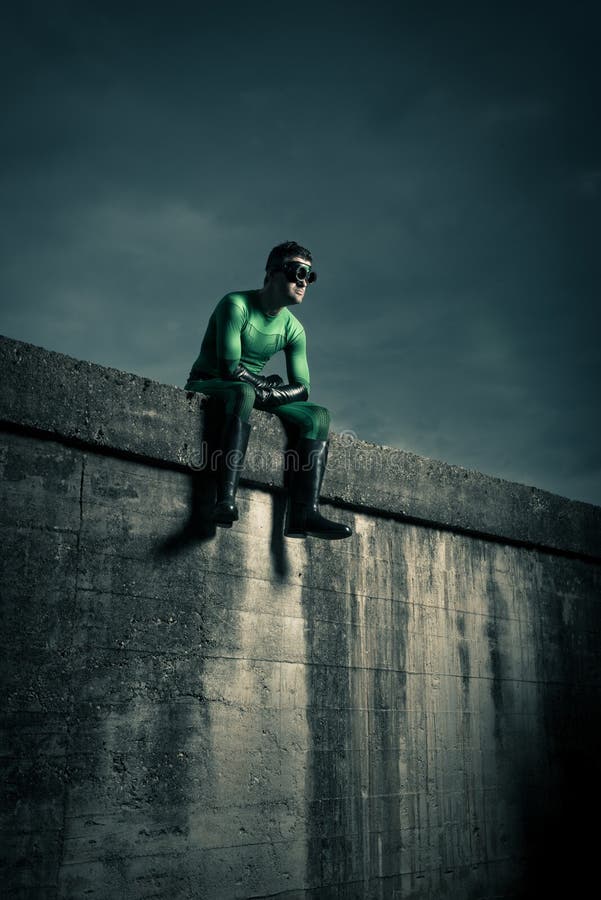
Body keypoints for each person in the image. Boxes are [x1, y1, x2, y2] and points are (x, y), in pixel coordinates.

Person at [185, 240, 352, 540]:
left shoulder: (294, 329)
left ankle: (304, 514)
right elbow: (229, 369)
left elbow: (303, 388)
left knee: (319, 417)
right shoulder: (235, 304)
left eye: (309, 276)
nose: (304, 282)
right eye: (296, 272)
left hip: (254, 390)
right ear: (271, 274)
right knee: (243, 393)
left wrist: (270, 393)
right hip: (212, 383)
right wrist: (264, 386)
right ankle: (225, 500)